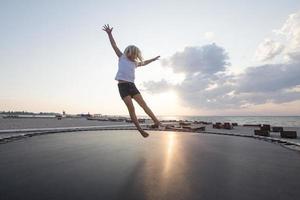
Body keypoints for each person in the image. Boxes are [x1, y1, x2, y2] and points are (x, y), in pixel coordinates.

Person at [102, 24, 162, 138]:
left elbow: (144, 63)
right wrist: (110, 34)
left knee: (144, 105)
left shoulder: (135, 63)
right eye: (132, 53)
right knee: (132, 109)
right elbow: (114, 45)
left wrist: (153, 59)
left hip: (132, 86)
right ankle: (140, 130)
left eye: (135, 54)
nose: (134, 56)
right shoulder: (122, 57)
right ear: (128, 52)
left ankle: (157, 122)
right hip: (123, 87)